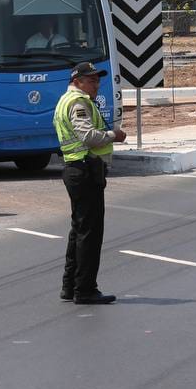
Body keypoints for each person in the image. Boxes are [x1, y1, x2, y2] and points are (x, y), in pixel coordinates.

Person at [53, 61, 126, 305]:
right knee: (90, 234)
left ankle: (70, 285)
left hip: (76, 169)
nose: (96, 85)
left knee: (79, 230)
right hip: (84, 169)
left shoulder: (67, 100)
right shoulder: (78, 102)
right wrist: (113, 135)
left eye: (97, 80)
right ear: (77, 82)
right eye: (91, 80)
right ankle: (85, 289)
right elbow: (88, 136)